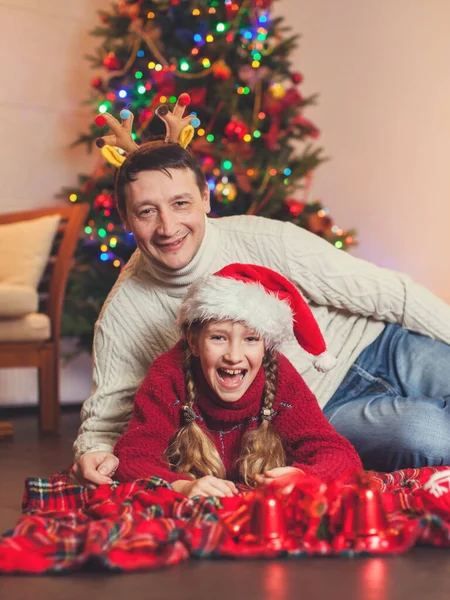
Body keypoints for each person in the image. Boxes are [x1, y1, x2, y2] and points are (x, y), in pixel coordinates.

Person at [70, 96, 450, 488]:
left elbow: (392, 294)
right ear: (127, 219)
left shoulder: (266, 238)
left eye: (180, 203)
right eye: (147, 211)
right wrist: (92, 448)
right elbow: (109, 416)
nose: (167, 227)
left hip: (383, 343)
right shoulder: (123, 312)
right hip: (323, 407)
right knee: (431, 436)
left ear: (205, 199)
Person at [113, 264, 362, 496]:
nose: (234, 357)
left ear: (266, 346)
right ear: (193, 342)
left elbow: (339, 455)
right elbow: (133, 457)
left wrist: (304, 477)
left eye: (251, 339)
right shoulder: (169, 375)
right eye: (218, 338)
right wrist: (180, 487)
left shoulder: (280, 377)